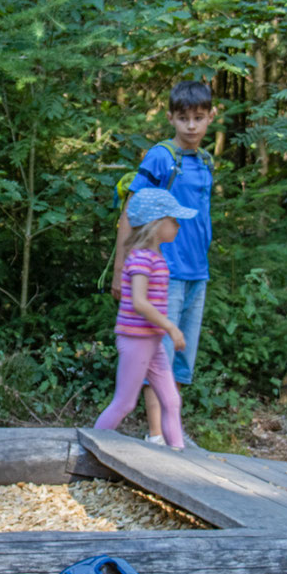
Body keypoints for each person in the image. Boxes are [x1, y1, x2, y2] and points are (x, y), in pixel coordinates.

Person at [110, 80, 216, 441]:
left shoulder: (205, 162)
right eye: (183, 118)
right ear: (170, 117)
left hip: (196, 272)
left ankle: (173, 434)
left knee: (182, 360)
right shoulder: (160, 157)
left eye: (199, 118)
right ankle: (156, 436)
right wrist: (120, 270)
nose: (191, 126)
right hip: (161, 274)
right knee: (159, 356)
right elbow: (131, 211)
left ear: (210, 118)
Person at [92, 188, 196, 449]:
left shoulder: (156, 257)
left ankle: (178, 455)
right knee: (125, 402)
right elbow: (139, 302)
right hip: (136, 340)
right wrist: (171, 327)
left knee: (171, 401)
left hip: (152, 342)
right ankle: (89, 447)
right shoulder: (140, 259)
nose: (178, 226)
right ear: (156, 224)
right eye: (173, 220)